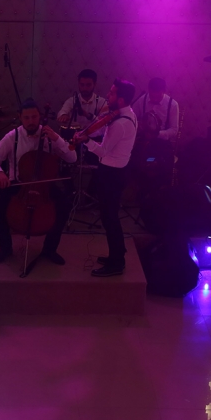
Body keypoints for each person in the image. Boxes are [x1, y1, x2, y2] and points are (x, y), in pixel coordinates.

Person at [0, 99, 77, 265]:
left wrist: (57, 138)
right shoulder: (12, 136)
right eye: (26, 118)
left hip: (44, 186)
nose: (31, 121)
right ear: (20, 117)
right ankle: (5, 247)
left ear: (39, 116)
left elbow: (72, 157)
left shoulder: (49, 135)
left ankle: (50, 249)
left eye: (34, 117)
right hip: (18, 184)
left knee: (64, 206)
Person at [78, 79, 138, 277]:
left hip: (111, 174)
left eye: (112, 94)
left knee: (109, 218)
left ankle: (117, 262)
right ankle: (117, 253)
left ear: (120, 99)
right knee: (110, 217)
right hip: (118, 172)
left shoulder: (120, 123)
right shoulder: (128, 114)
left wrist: (86, 140)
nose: (107, 96)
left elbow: (103, 151)